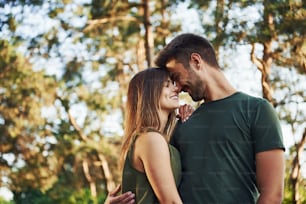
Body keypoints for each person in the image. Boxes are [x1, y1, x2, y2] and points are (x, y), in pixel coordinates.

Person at [106, 33, 285, 204]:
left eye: (176, 78)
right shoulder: (181, 123)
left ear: (196, 61)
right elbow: (147, 182)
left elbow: (272, 194)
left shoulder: (257, 109)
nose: (179, 88)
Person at [106, 68, 193, 204]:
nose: (176, 89)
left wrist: (186, 123)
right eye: (167, 85)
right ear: (149, 93)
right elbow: (171, 202)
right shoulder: (150, 139)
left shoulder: (154, 139)